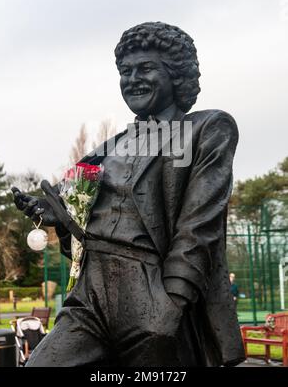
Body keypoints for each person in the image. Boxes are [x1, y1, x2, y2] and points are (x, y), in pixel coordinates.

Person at [12, 22, 245, 367]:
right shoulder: (106, 150)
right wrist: (57, 217)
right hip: (90, 290)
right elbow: (78, 234)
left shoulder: (206, 129)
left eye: (146, 68)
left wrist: (173, 300)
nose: (132, 78)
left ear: (176, 75)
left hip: (151, 286)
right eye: (125, 71)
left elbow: (199, 224)